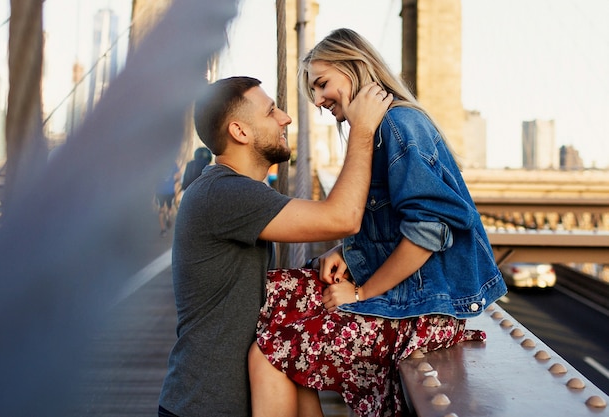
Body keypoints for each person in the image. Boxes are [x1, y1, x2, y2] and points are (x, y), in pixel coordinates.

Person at [248, 28, 508, 417]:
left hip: (422, 312)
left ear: (356, 68)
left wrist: (361, 293)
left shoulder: (399, 126)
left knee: (273, 350)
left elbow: (427, 233)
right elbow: (390, 222)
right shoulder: (378, 129)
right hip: (409, 302)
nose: (318, 101)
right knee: (275, 296)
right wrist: (347, 253)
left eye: (322, 84)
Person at [157, 76, 392, 417]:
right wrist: (363, 130)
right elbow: (343, 218)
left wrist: (340, 251)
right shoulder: (224, 194)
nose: (286, 118)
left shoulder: (231, 191)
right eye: (271, 112)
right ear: (240, 132)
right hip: (205, 407)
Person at [155, 162, 181, 237]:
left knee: (161, 209)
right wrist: (174, 182)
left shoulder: (158, 164)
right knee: (170, 207)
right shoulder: (172, 163)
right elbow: (178, 176)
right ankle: (168, 218)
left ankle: (163, 230)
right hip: (170, 191)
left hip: (160, 191)